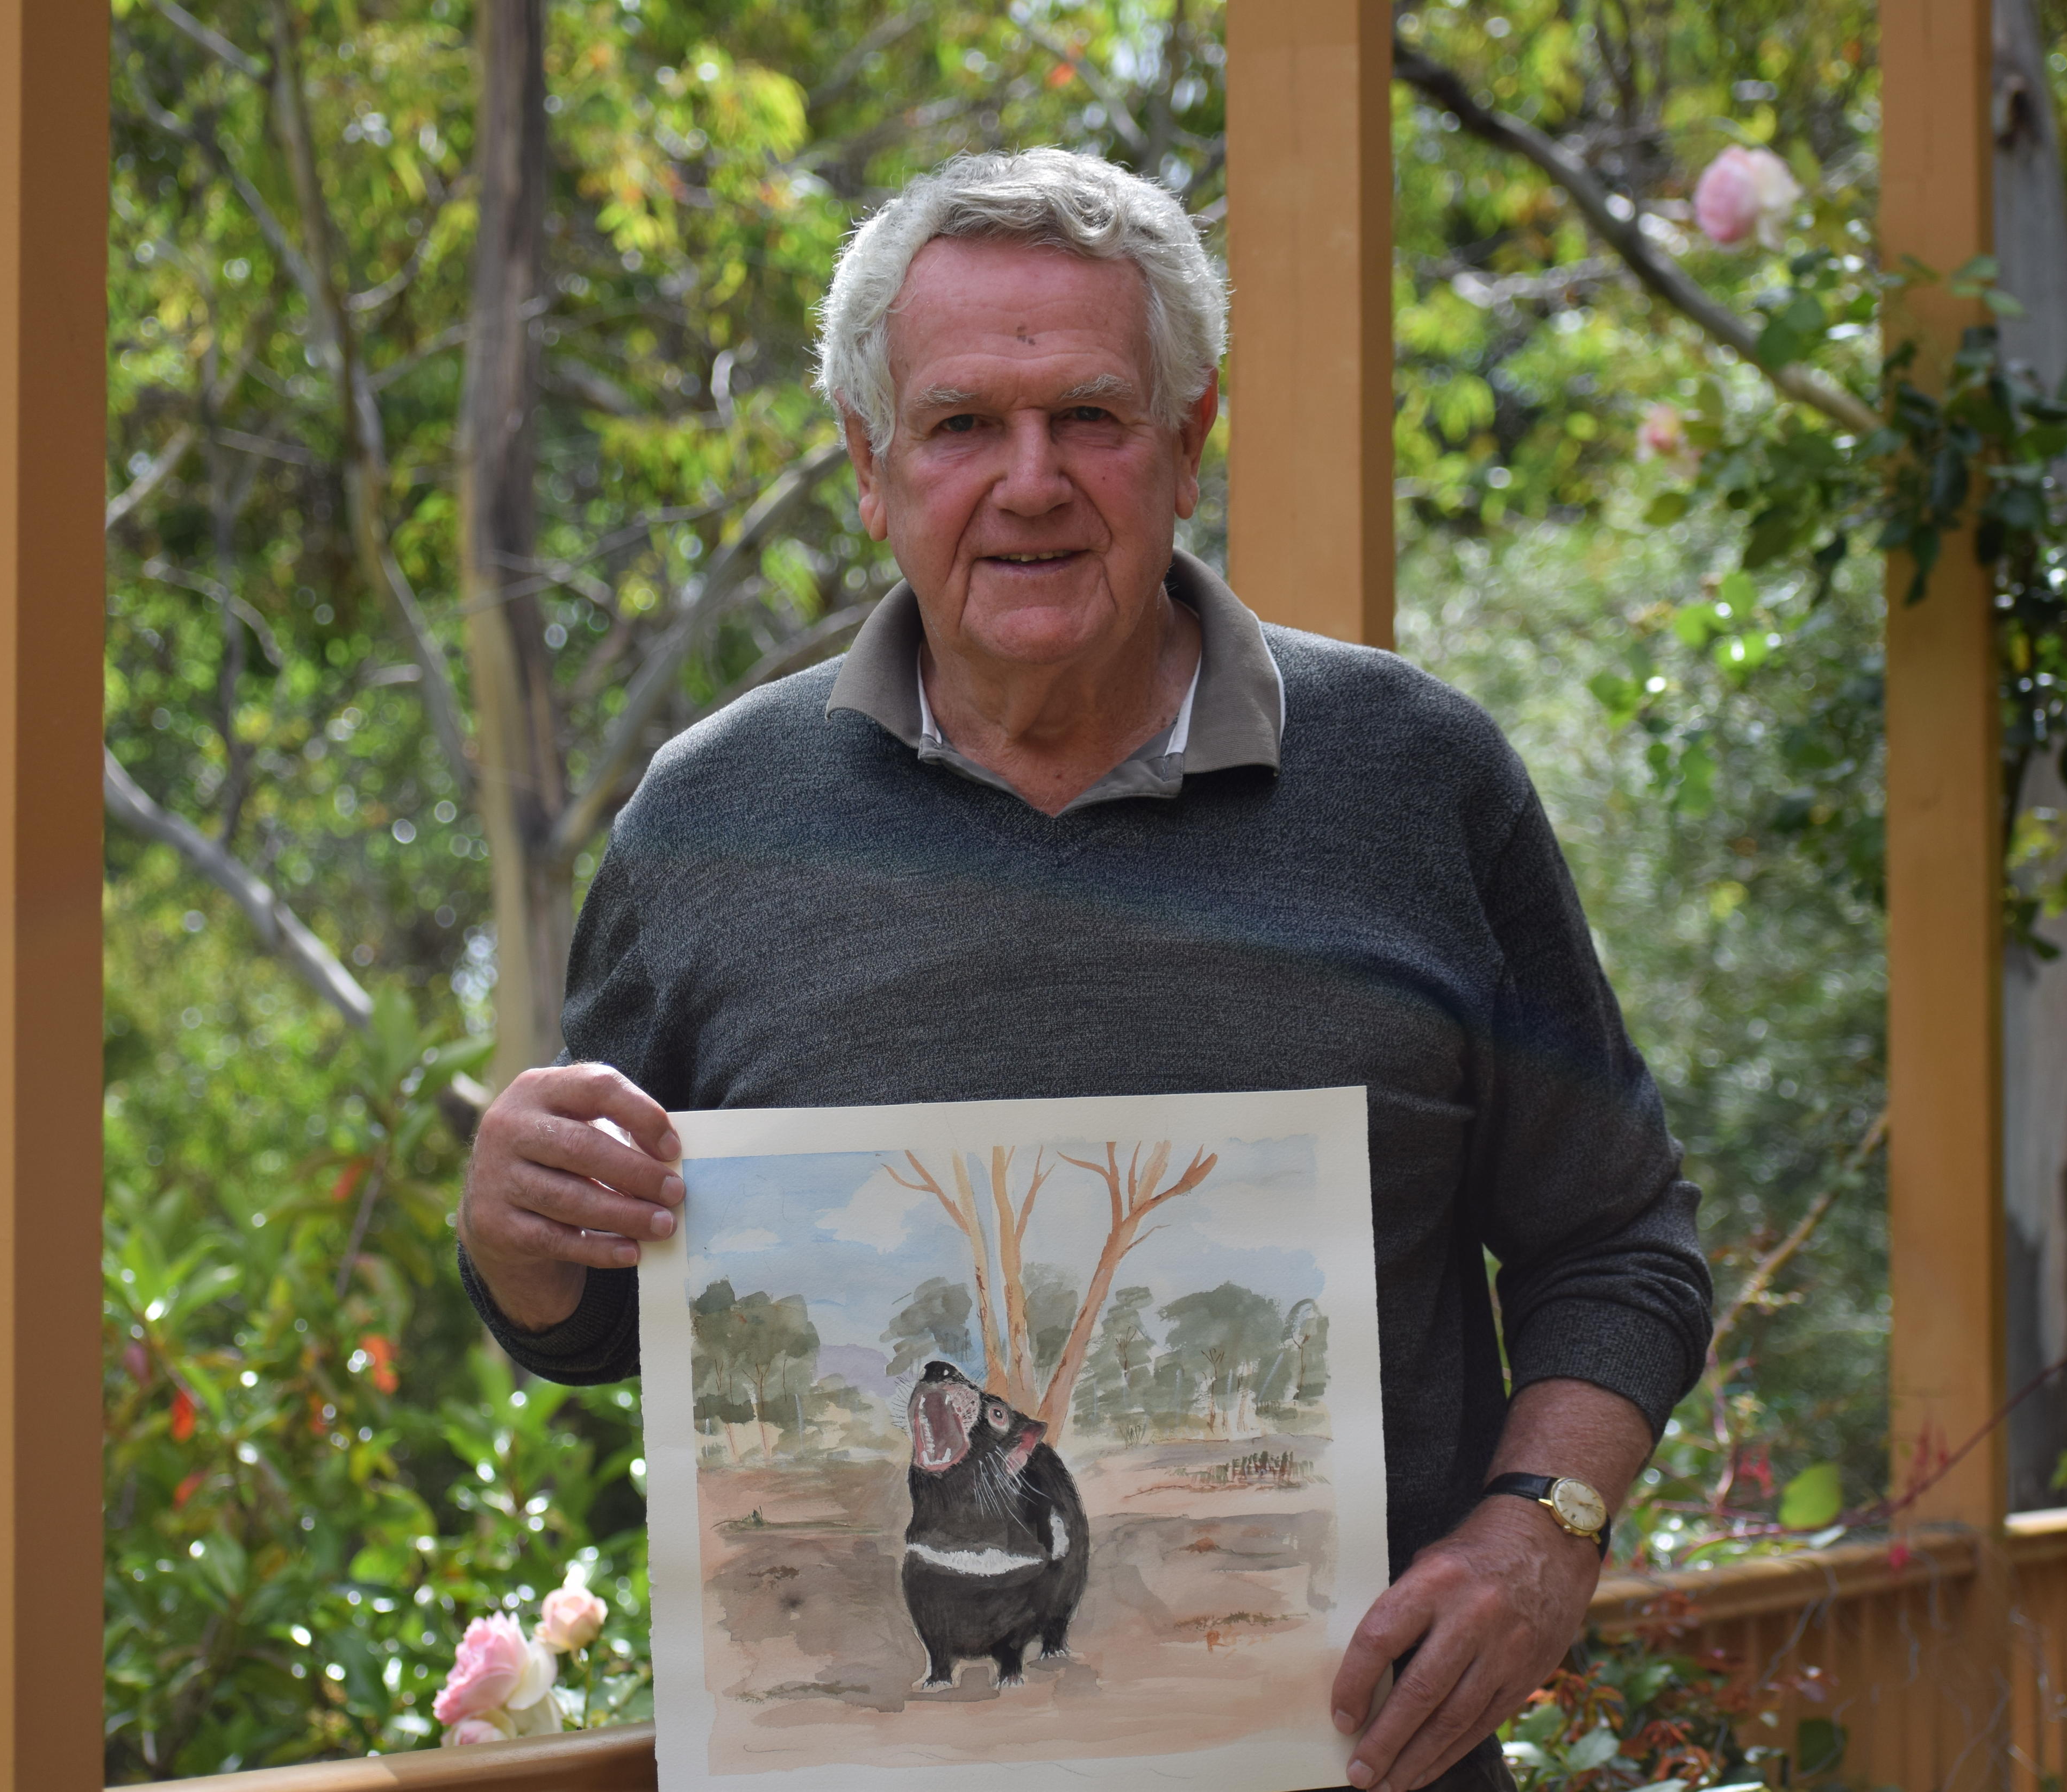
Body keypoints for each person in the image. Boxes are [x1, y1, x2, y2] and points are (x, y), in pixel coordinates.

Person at [454, 146, 1710, 1792]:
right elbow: (607, 1318)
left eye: (1092, 420)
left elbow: (1619, 1242)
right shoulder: (708, 825)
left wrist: (1542, 1527)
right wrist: (519, 1235)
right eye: (964, 423)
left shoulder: (1419, 780)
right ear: (870, 464)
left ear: (1188, 445)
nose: (1030, 481)